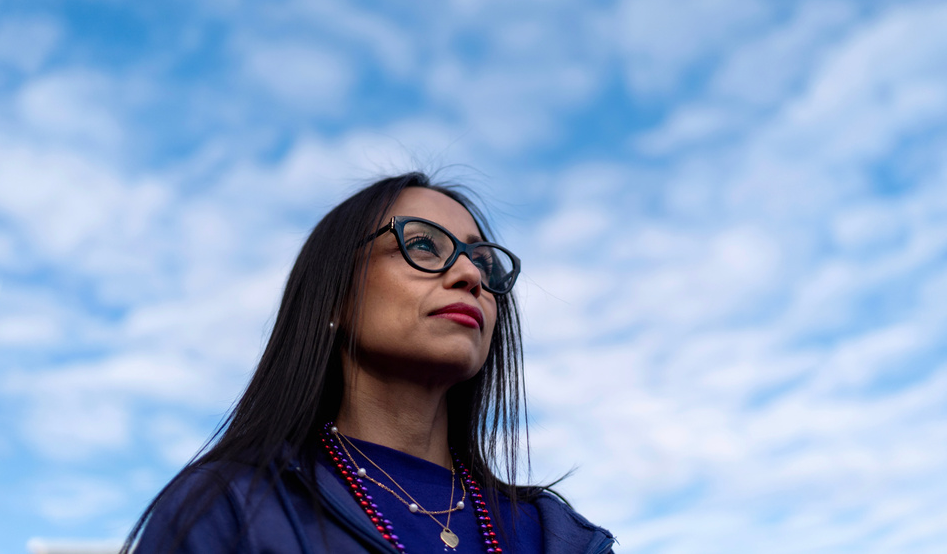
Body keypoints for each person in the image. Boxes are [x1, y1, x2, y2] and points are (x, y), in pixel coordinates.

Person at [124, 172, 615, 554]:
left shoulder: (554, 536)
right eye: (423, 244)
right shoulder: (230, 508)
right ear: (334, 298)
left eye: (484, 264)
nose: (470, 275)